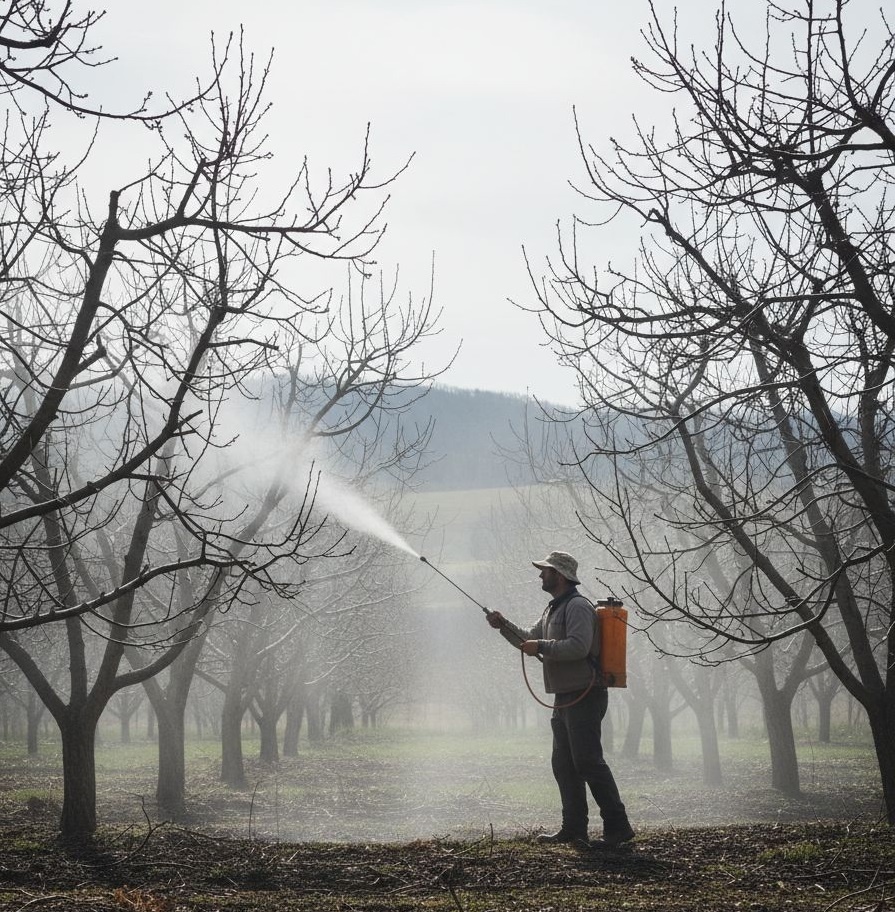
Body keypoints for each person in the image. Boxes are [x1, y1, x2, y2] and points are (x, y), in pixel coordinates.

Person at [487, 550, 635, 848]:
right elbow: (529, 638)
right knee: (564, 764)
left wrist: (541, 644)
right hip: (565, 698)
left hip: (585, 695)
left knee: (588, 762)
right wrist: (503, 625)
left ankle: (618, 828)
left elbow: (578, 647)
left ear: (561, 575)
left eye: (546, 570)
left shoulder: (578, 607)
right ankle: (574, 829)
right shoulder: (553, 608)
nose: (541, 574)